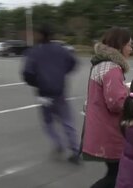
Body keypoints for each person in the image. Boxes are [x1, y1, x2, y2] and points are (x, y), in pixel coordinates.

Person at [82, 27, 132, 188]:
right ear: (121, 45)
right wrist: (131, 96)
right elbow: (116, 102)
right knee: (117, 175)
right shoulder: (112, 68)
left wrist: (123, 88)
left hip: (99, 126)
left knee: (116, 173)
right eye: (129, 45)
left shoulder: (101, 64)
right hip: (108, 131)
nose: (131, 49)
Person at [21, 24, 80, 163]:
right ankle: (75, 150)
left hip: (43, 94)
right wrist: (61, 74)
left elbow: (27, 73)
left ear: (40, 35)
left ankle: (58, 144)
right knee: (67, 121)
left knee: (48, 122)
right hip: (60, 91)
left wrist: (37, 82)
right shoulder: (61, 49)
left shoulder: (34, 52)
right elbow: (73, 62)